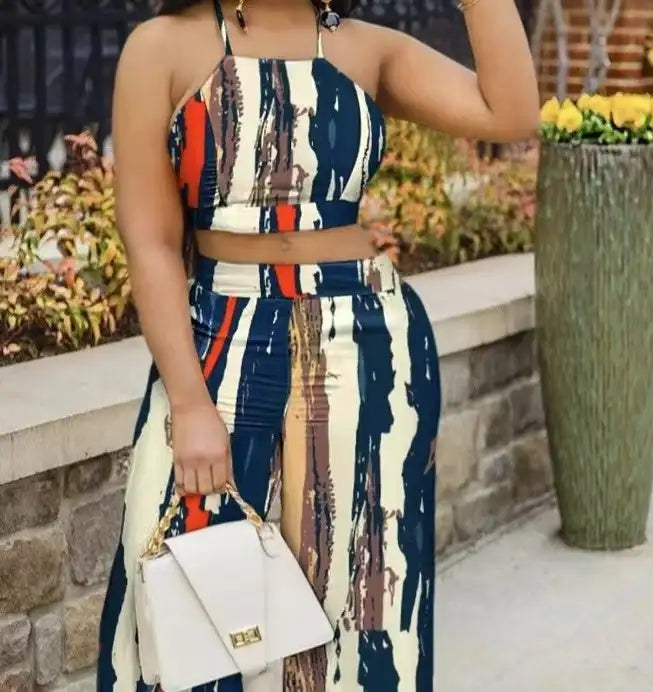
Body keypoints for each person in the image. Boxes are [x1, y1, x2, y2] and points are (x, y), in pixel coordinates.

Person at [97, 0, 539, 689]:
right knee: (178, 599)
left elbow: (510, 113)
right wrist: (188, 402)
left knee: (366, 613)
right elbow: (151, 242)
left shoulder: (363, 47)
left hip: (366, 341)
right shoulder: (163, 47)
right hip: (219, 335)